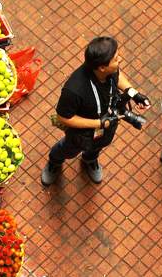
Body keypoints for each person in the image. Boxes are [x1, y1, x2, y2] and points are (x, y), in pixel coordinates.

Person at [42, 36, 151, 186]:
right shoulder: (74, 89)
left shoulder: (109, 70)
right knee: (68, 149)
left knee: (99, 145)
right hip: (82, 132)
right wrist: (98, 123)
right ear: (102, 67)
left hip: (107, 125)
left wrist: (133, 92)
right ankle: (54, 162)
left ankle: (90, 160)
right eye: (116, 58)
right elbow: (63, 117)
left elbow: (118, 77)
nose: (120, 59)